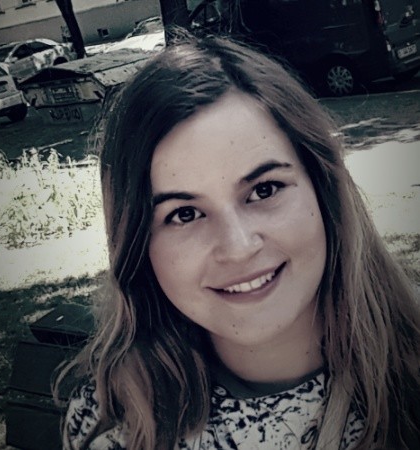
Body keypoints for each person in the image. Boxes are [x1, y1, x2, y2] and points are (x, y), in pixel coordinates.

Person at [61, 30, 420, 450]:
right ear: (138, 246)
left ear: (324, 189)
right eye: (184, 214)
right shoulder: (112, 425)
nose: (238, 247)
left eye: (264, 190)